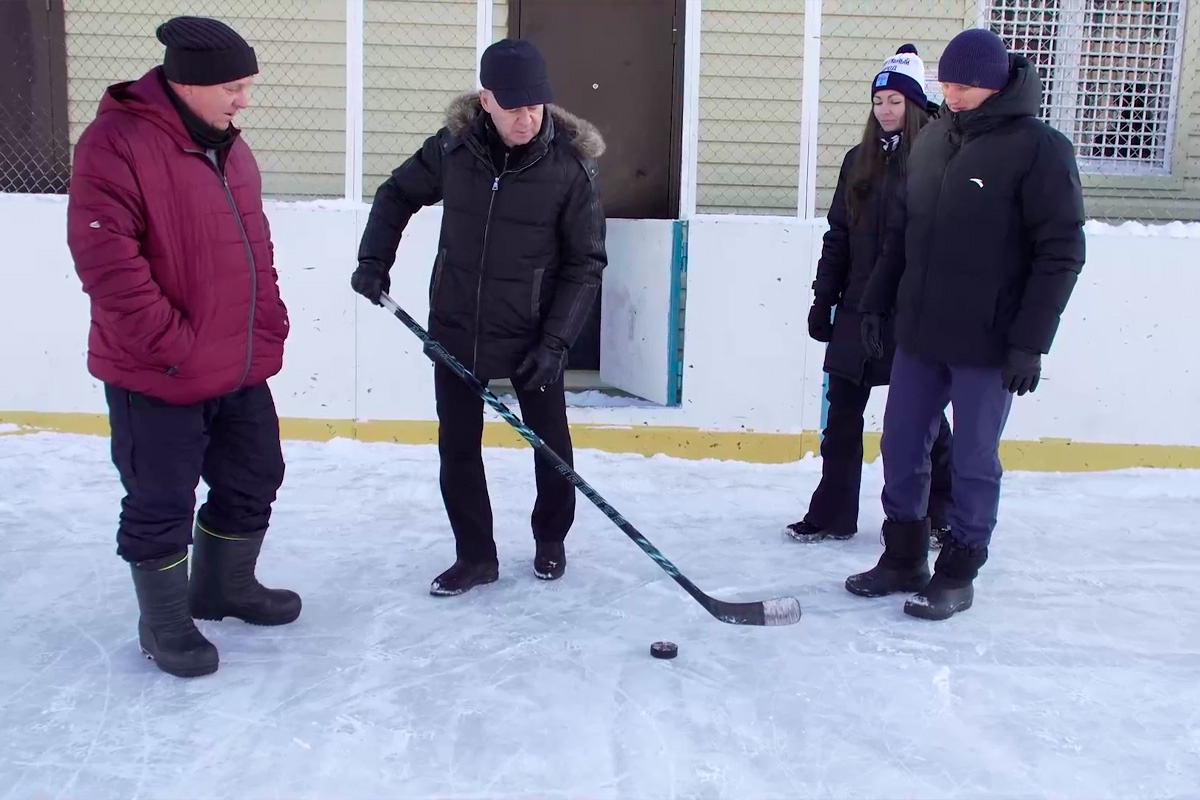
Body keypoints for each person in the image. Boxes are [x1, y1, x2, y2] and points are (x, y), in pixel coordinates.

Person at [67, 16, 301, 678]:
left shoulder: (230, 146)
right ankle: (165, 622)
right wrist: (171, 344)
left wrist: (269, 320)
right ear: (188, 83)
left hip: (239, 362)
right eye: (232, 86)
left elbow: (256, 246)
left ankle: (225, 586)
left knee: (256, 475)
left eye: (247, 85)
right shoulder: (117, 144)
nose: (242, 100)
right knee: (160, 497)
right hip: (158, 369)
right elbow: (106, 261)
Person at [351, 38, 607, 596]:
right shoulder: (454, 150)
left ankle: (550, 538)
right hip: (457, 326)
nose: (526, 117)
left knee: (550, 444)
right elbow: (396, 194)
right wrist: (374, 259)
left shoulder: (570, 168)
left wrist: (556, 343)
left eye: (534, 104)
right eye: (512, 105)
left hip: (534, 331)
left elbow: (586, 264)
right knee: (458, 447)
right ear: (486, 99)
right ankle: (475, 556)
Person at [850, 28, 1086, 619]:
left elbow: (1061, 251)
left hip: (989, 341)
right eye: (947, 85)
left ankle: (959, 568)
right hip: (921, 332)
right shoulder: (931, 145)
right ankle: (903, 555)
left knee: (976, 457)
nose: (951, 96)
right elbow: (903, 234)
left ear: (995, 83)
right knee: (901, 443)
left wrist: (1030, 343)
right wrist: (875, 303)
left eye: (964, 87)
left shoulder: (1040, 148)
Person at [788, 45, 954, 548]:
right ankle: (832, 512)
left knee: (925, 421)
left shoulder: (936, 160)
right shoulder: (855, 162)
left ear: (916, 105)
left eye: (895, 101)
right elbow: (838, 234)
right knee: (840, 416)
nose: (885, 110)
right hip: (857, 307)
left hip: (909, 312)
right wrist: (824, 298)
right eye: (879, 100)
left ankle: (940, 513)